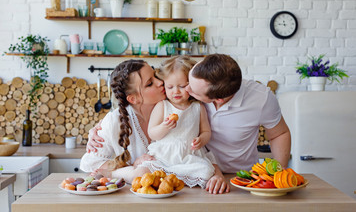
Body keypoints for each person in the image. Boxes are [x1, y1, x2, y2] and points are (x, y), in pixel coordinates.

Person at [80, 58, 229, 194]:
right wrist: (130, 165)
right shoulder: (115, 121)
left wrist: (217, 175)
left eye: (156, 75)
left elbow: (202, 149)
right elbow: (91, 165)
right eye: (150, 83)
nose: (160, 82)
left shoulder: (184, 105)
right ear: (134, 99)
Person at [185, 54, 291, 172]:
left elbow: (279, 134)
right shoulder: (191, 85)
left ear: (219, 99)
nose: (186, 89)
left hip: (240, 174)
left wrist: (279, 173)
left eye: (194, 91)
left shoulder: (262, 98)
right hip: (198, 171)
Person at [139, 56, 216, 188]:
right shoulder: (162, 106)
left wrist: (201, 140)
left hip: (188, 156)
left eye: (182, 86)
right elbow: (152, 133)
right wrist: (164, 127)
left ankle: (174, 179)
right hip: (164, 156)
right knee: (144, 170)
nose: (176, 91)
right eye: (170, 87)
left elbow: (206, 131)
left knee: (207, 170)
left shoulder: (198, 107)